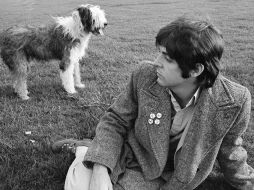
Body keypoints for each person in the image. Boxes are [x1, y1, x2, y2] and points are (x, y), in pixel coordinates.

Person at [52, 14, 254, 190]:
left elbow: (231, 151)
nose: (156, 62)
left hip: (176, 178)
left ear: (195, 70)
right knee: (79, 186)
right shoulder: (145, 75)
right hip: (134, 158)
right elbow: (115, 120)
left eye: (166, 57)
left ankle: (87, 148)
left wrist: (247, 183)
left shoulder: (234, 101)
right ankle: (85, 151)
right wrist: (99, 168)